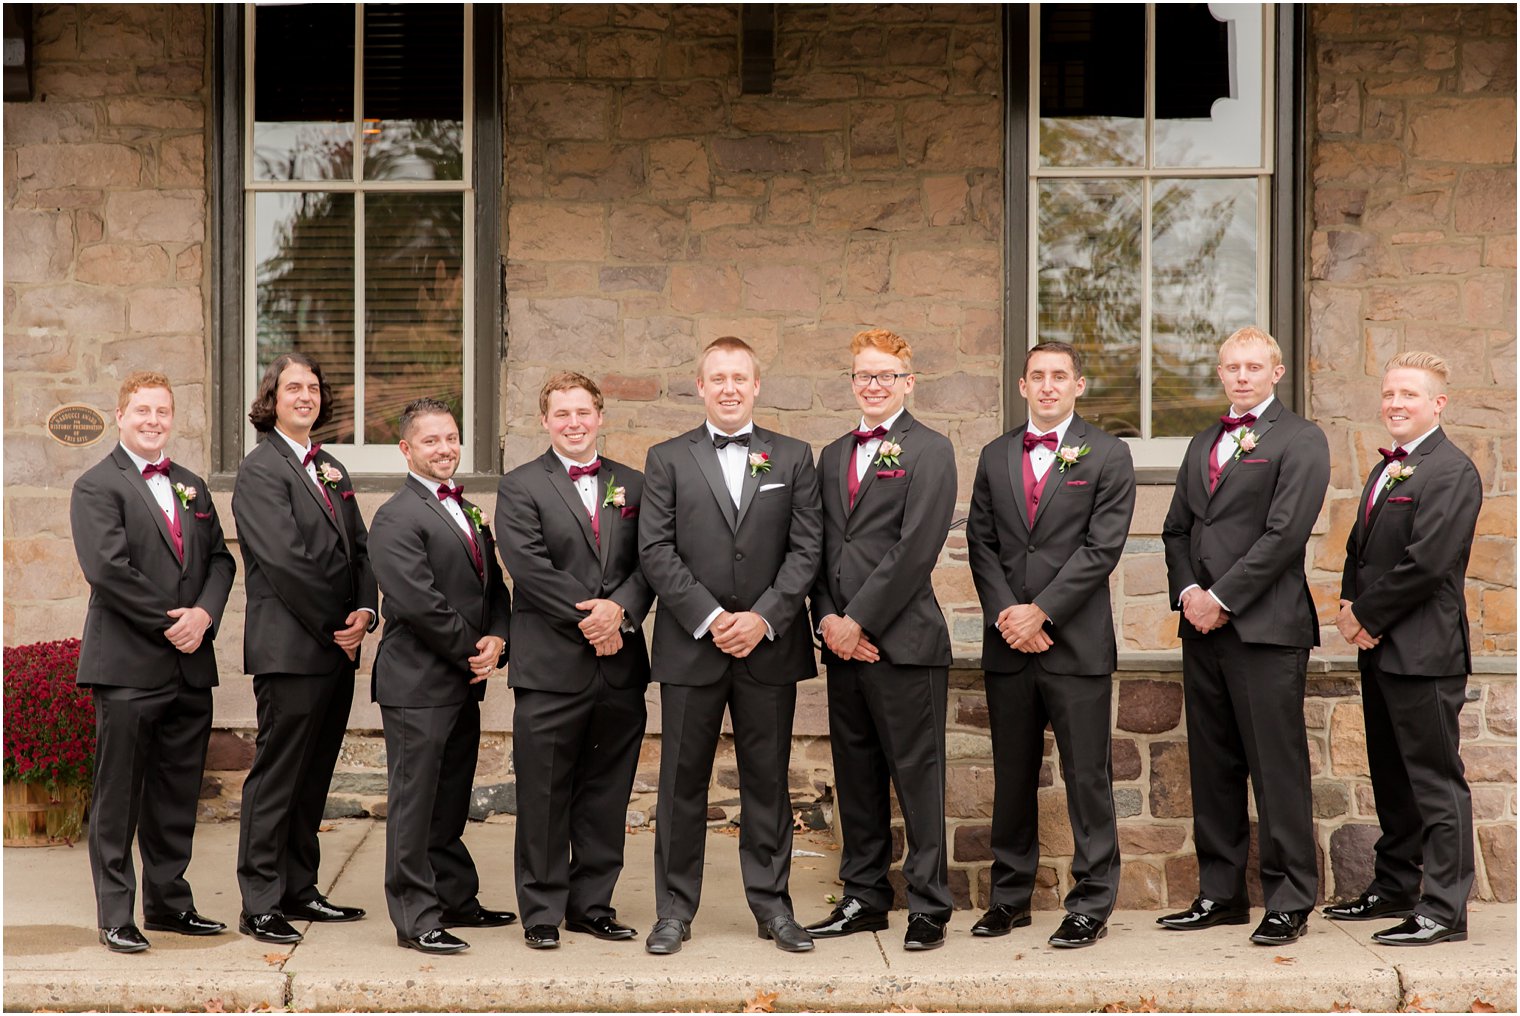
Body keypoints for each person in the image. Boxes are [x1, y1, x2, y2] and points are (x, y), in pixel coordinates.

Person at [638, 336, 823, 955]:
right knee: (680, 783)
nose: (729, 388)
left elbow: (806, 551)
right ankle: (672, 911)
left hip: (768, 647)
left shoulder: (794, 457)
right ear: (700, 386)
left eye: (739, 377)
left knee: (767, 782)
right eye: (717, 378)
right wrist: (714, 616)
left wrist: (765, 617)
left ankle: (773, 908)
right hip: (693, 646)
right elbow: (655, 550)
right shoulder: (666, 458)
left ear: (757, 385)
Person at [1159, 325, 1329, 946]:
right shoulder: (1204, 440)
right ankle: (1219, 892)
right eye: (1232, 367)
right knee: (1214, 764)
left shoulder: (1301, 439)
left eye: (1254, 366)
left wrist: (1223, 598)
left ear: (1276, 372)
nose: (1241, 376)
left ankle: (1289, 899)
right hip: (1200, 627)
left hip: (1264, 627)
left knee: (1276, 765)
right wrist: (1190, 596)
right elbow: (1176, 529)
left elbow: (1285, 535)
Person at [965, 342, 1135, 949]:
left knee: (1087, 777)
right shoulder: (994, 455)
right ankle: (1009, 897)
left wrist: (1043, 612)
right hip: (1009, 641)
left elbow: (1102, 547)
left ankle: (1091, 902)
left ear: (1078, 386)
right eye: (1037, 376)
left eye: (1058, 376)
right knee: (1012, 776)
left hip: (1076, 644)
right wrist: (1010, 615)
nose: (1047, 386)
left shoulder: (1109, 454)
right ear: (1022, 385)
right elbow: (981, 544)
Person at [70, 371, 237, 953]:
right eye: (141, 410)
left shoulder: (191, 484)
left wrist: (205, 616)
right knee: (118, 795)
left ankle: (169, 904)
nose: (152, 420)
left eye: (162, 411)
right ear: (120, 415)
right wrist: (176, 622)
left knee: (175, 791)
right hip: (128, 666)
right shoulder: (96, 486)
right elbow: (109, 572)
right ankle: (116, 914)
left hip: (190, 666)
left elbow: (221, 560)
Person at [803, 329, 957, 951]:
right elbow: (815, 548)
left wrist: (859, 621)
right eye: (863, 376)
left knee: (917, 776)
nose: (872, 385)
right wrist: (828, 623)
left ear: (907, 382)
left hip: (906, 643)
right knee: (856, 774)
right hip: (842, 643)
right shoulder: (834, 453)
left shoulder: (930, 450)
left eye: (885, 376)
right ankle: (863, 896)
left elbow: (915, 549)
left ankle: (929, 906)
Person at [1325, 352, 1482, 947]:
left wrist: (1364, 615)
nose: (1395, 403)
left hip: (1425, 652)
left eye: (1409, 395)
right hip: (1381, 649)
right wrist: (1348, 606)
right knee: (1392, 778)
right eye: (1389, 392)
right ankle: (1393, 886)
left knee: (1436, 782)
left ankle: (1444, 908)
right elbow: (1361, 551)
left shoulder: (1451, 470)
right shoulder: (1388, 467)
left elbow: (1428, 564)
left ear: (1437, 403)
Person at [496, 372, 653, 951]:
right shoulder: (519, 486)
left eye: (583, 412)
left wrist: (623, 612)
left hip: (620, 666)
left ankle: (593, 904)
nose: (574, 423)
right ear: (544, 421)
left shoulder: (634, 484)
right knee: (543, 792)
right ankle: (541, 909)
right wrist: (596, 621)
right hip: (551, 665)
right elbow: (529, 567)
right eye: (561, 414)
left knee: (607, 791)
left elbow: (652, 560)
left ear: (600, 415)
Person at [231, 352, 377, 944]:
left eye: (313, 388)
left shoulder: (331, 467)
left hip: (336, 646)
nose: (306, 396)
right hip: (291, 649)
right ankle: (259, 899)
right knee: (277, 775)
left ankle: (299, 888)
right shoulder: (261, 470)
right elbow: (286, 561)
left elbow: (361, 548)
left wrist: (365, 611)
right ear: (272, 398)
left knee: (313, 775)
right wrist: (336, 623)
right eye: (294, 387)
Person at [369, 398, 515, 956]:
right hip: (418, 683)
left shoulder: (470, 511)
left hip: (465, 679)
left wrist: (497, 640)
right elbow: (418, 601)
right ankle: (415, 916)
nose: (444, 448)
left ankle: (455, 898)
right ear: (406, 449)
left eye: (451, 438)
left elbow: (494, 588)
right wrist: (471, 650)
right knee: (415, 801)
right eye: (430, 440)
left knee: (450, 799)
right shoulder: (395, 516)